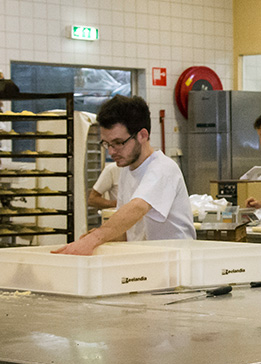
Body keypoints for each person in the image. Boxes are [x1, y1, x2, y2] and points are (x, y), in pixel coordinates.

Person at [54, 95, 195, 255]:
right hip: (147, 262)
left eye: (119, 143)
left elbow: (137, 208)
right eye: (107, 144)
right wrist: (95, 238)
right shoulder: (126, 171)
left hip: (177, 265)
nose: (112, 151)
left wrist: (96, 239)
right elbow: (126, 232)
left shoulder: (163, 168)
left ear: (142, 135)